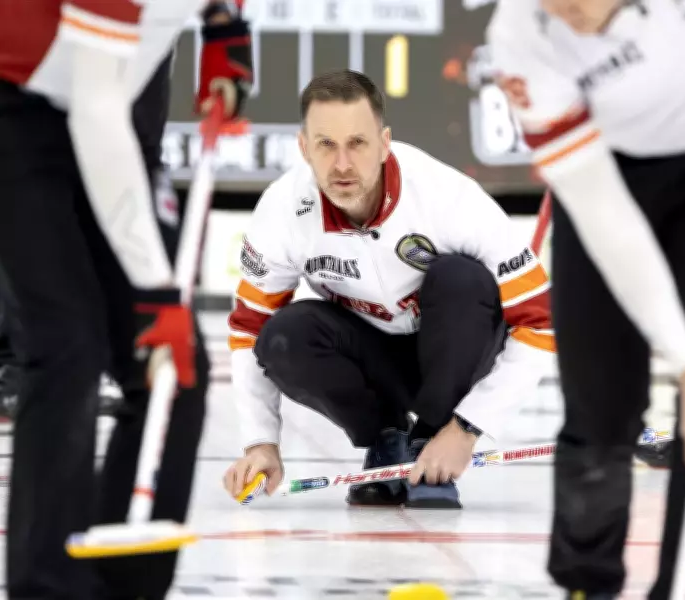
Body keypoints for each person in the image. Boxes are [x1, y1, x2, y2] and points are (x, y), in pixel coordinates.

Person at [487, 0, 685, 598]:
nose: (566, 9)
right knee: (599, 401)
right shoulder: (522, 34)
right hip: (608, 171)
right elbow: (607, 219)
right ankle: (587, 582)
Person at [0, 1, 252, 598]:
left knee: (177, 371)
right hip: (18, 107)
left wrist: (225, 27)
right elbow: (94, 115)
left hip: (113, 100)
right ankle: (48, 587)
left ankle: (126, 588)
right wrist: (156, 289)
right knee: (69, 347)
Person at [221, 69, 555, 509]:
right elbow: (249, 328)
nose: (342, 164)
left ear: (384, 143)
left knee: (461, 278)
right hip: (376, 363)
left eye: (357, 143)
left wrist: (466, 427)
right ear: (304, 148)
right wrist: (259, 442)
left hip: (456, 352)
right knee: (283, 336)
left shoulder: (449, 197)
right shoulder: (283, 210)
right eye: (326, 144)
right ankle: (387, 439)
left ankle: (432, 436)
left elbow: (540, 321)